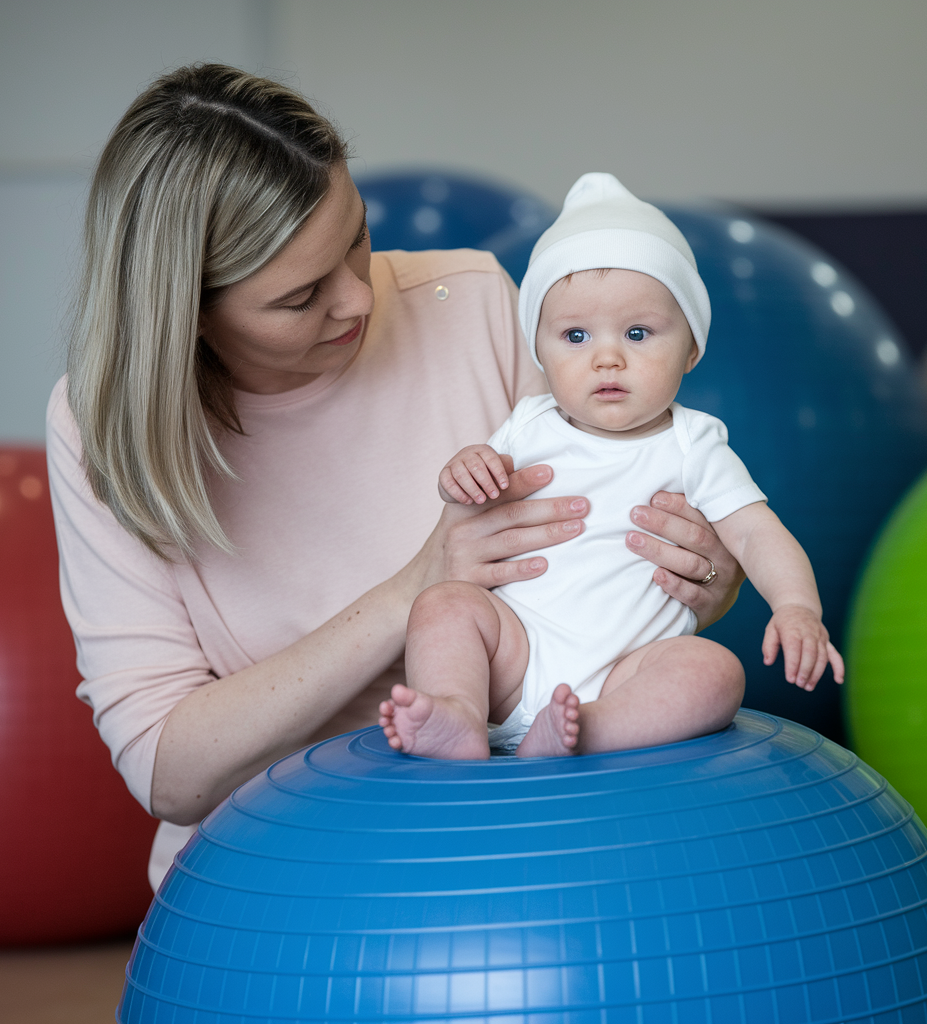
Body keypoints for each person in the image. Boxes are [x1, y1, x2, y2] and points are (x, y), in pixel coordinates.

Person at [48, 66, 746, 891]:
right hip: (279, 876)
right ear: (191, 311)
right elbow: (170, 771)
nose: (355, 301)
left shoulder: (476, 299)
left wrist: (704, 569)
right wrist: (413, 587)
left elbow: (612, 562)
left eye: (357, 237)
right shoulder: (100, 428)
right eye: (301, 295)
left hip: (526, 829)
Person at [379, 173, 845, 760]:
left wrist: (798, 607)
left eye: (637, 332)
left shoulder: (693, 444)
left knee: (715, 670)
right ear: (540, 352)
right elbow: (476, 493)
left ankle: (587, 731)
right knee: (443, 606)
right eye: (575, 335)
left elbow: (757, 532)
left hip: (631, 673)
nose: (607, 357)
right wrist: (464, 472)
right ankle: (458, 711)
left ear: (692, 349)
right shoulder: (527, 425)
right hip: (512, 658)